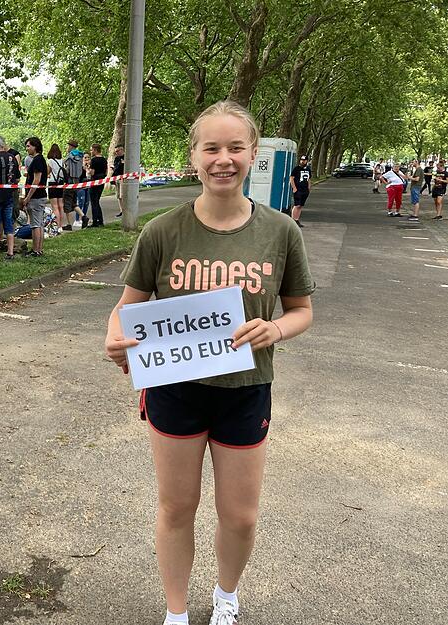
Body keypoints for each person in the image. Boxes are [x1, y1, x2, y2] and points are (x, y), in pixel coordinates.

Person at [104, 101, 314, 625]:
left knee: (240, 516)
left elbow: (302, 310)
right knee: (177, 507)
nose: (224, 159)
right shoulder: (162, 231)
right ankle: (176, 612)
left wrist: (275, 328)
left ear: (253, 155)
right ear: (194, 157)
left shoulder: (282, 231)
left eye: (236, 148)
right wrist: (115, 337)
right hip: (175, 388)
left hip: (246, 387)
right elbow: (127, 308)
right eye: (212, 148)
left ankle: (225, 595)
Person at [22, 136, 47, 257]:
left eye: (28, 146)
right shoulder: (41, 159)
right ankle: (39, 249)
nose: (27, 148)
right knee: (39, 223)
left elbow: (36, 181)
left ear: (35, 146)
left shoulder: (37, 160)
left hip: (36, 197)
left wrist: (28, 197)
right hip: (40, 196)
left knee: (35, 225)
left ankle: (36, 250)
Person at [62, 140, 84, 227]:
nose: (67, 148)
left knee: (67, 203)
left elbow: (67, 170)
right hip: (77, 182)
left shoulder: (69, 157)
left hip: (69, 182)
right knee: (73, 203)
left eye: (68, 146)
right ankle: (83, 216)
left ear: (71, 146)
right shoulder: (80, 156)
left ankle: (69, 224)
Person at [47, 144, 66, 230]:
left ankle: (57, 225)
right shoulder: (62, 161)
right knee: (61, 205)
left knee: (54, 206)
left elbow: (48, 172)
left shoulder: (50, 161)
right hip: (61, 183)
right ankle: (61, 225)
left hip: (53, 183)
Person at [87, 143, 108, 227]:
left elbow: (92, 172)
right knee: (97, 200)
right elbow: (106, 171)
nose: (91, 151)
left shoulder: (94, 160)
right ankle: (100, 220)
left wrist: (88, 169)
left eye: (91, 150)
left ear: (95, 150)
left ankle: (95, 221)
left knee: (93, 201)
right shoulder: (104, 159)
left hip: (95, 181)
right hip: (102, 180)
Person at [289, 154, 311, 227]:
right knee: (297, 205)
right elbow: (291, 178)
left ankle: (297, 219)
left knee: (301, 205)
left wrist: (309, 187)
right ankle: (292, 221)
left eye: (304, 160)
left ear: (306, 161)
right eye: (301, 160)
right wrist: (294, 188)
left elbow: (309, 179)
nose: (302, 161)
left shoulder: (308, 169)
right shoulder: (296, 169)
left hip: (305, 190)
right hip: (298, 189)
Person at [112, 145, 125, 217]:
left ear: (122, 150)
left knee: (122, 195)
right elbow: (116, 167)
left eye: (117, 151)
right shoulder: (116, 159)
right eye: (115, 151)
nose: (116, 153)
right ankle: (121, 210)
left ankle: (125, 210)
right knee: (119, 196)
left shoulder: (126, 158)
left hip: (124, 178)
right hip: (117, 178)